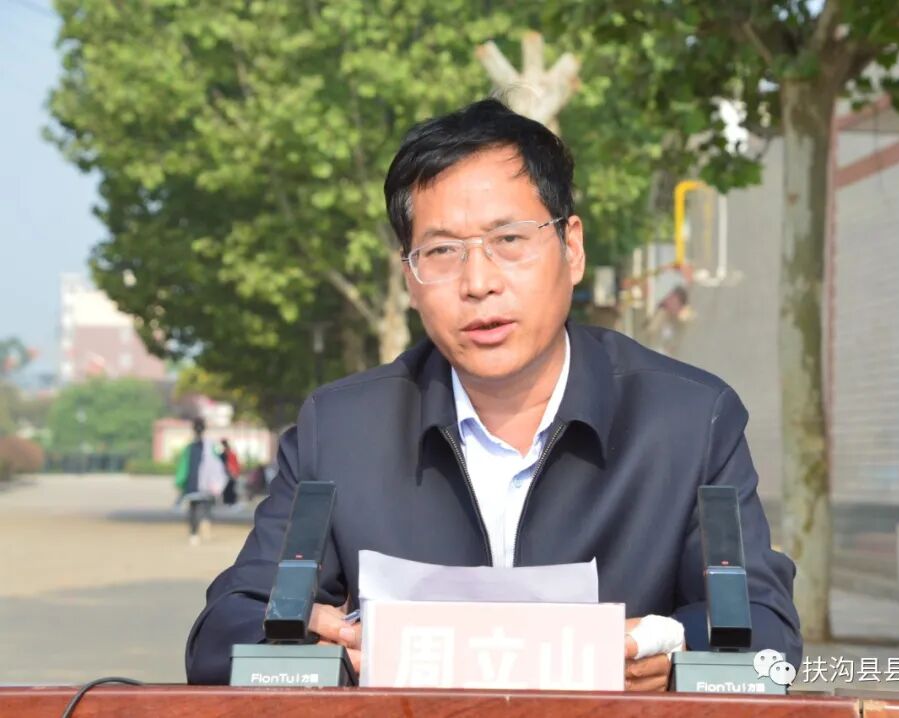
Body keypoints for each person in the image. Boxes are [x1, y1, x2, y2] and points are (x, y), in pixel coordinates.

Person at [185, 99, 800, 688]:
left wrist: (675, 651)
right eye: (442, 251)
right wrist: (305, 646)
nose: (478, 283)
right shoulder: (343, 429)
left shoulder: (689, 420)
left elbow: (769, 636)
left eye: (509, 240)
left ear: (572, 248)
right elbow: (222, 634)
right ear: (410, 279)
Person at [174, 418, 228, 545]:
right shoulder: (211, 446)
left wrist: (180, 482)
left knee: (193, 508)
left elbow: (183, 467)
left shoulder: (189, 448)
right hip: (208, 484)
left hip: (192, 483)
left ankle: (193, 534)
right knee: (206, 506)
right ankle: (206, 527)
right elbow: (219, 464)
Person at [219, 439, 241, 507]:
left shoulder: (230, 454)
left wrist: (234, 472)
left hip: (230, 473)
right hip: (227, 473)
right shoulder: (224, 454)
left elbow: (233, 464)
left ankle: (231, 502)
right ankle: (228, 502)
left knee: (230, 488)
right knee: (228, 488)